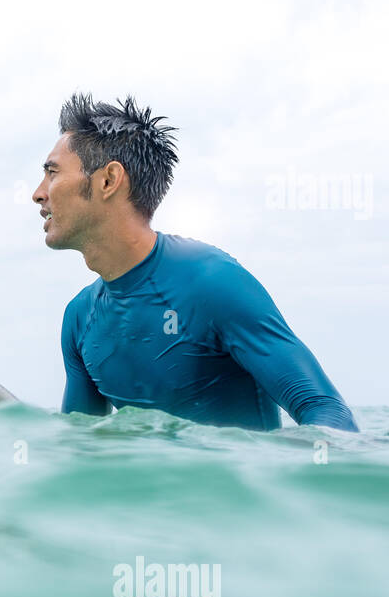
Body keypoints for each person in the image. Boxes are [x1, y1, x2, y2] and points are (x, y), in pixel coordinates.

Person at [35, 93, 358, 431]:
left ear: (107, 181)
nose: (38, 193)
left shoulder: (213, 282)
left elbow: (328, 414)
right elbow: (80, 450)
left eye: (52, 173)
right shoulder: (79, 318)